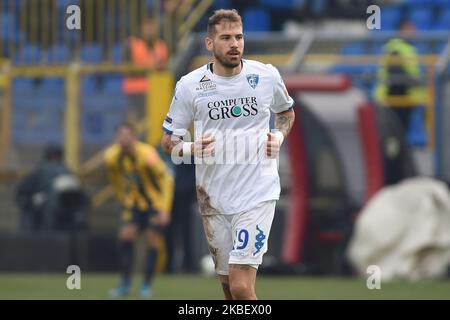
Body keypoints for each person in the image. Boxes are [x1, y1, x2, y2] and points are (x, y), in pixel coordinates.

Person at [161, 9, 295, 300]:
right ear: (210, 44)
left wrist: (279, 136)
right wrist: (191, 148)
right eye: (225, 38)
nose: (234, 44)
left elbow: (286, 112)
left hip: (257, 194)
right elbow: (169, 141)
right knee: (228, 288)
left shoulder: (266, 75)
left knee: (240, 286)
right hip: (213, 198)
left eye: (239, 37)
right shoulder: (190, 85)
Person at [105, 122, 174, 298]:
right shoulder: (111, 157)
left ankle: (145, 285)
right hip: (133, 205)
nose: (124, 139)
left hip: (154, 205)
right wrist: (123, 198)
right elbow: (115, 179)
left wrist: (164, 209)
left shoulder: (147, 154)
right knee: (125, 237)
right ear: (116, 138)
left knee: (152, 241)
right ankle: (125, 284)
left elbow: (166, 178)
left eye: (128, 135)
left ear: (135, 138)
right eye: (121, 135)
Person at [374, 19, 426, 144]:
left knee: (400, 133)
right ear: (402, 30)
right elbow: (396, 72)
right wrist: (415, 81)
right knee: (394, 134)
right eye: (410, 28)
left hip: (404, 97)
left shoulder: (408, 48)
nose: (414, 31)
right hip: (392, 97)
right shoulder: (396, 48)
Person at [15, 145, 88, 233]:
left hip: (61, 220)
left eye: (57, 156)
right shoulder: (38, 173)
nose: (55, 159)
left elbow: (82, 199)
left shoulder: (67, 174)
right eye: (53, 156)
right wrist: (32, 201)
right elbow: (21, 195)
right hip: (40, 221)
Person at [122, 18, 169, 122]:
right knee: (137, 121)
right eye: (147, 26)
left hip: (157, 90)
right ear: (141, 28)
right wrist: (150, 68)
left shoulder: (161, 44)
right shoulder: (131, 44)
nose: (149, 29)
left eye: (152, 26)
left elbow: (166, 68)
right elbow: (126, 68)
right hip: (135, 89)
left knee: (154, 122)